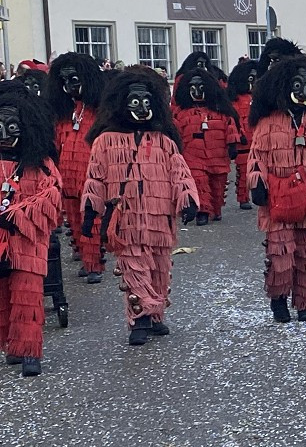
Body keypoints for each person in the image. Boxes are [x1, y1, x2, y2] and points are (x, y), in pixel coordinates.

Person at [83, 67, 199, 346]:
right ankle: (139, 320)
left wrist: (188, 199)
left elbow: (179, 173)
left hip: (160, 218)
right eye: (135, 103)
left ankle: (156, 314)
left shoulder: (164, 140)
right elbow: (95, 177)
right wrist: (91, 211)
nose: (142, 109)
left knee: (160, 266)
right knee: (134, 266)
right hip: (126, 218)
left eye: (147, 103)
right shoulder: (105, 141)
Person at [248, 56, 306, 324]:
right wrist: (256, 181)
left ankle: (305, 304)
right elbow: (256, 155)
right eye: (296, 84)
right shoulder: (268, 122)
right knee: (280, 253)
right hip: (276, 197)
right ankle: (279, 299)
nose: (302, 90)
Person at [0, 81, 63, 376]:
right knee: (2, 297)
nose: (5, 135)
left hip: (28, 241)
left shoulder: (41, 163)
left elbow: (50, 195)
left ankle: (29, 353)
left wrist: (16, 215)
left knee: (28, 296)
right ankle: (12, 347)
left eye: (12, 127)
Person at [45, 53, 106, 282]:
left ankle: (94, 265)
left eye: (74, 79)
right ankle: (84, 257)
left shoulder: (99, 111)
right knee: (73, 219)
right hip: (67, 176)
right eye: (65, 81)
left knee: (91, 218)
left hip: (92, 176)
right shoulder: (62, 113)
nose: (70, 86)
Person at [172, 68, 240, 226]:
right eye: (193, 89)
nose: (196, 92)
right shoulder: (181, 113)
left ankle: (216, 209)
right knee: (199, 182)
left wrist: (232, 145)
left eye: (201, 88)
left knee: (218, 183)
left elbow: (230, 128)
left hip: (218, 155)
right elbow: (176, 133)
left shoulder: (221, 111)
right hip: (192, 154)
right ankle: (202, 211)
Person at [226, 60, 258, 210]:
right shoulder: (235, 99)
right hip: (244, 139)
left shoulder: (256, 98)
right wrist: (239, 134)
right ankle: (243, 197)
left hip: (256, 138)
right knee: (243, 171)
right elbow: (234, 119)